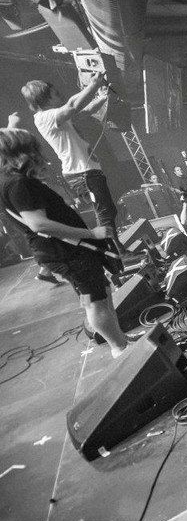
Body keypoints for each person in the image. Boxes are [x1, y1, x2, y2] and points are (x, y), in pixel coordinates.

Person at [0, 128, 129, 357]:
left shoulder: (10, 182)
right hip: (66, 252)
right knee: (95, 302)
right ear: (23, 152)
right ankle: (119, 348)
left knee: (99, 293)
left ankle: (121, 340)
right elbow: (38, 224)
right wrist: (92, 234)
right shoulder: (18, 184)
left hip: (68, 251)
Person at [21, 76, 122, 252]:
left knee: (108, 211)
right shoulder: (45, 117)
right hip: (82, 173)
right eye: (55, 94)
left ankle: (116, 250)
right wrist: (94, 85)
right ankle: (115, 253)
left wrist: (103, 97)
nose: (60, 96)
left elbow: (85, 109)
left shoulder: (57, 114)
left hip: (86, 172)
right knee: (104, 212)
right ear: (45, 99)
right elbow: (73, 105)